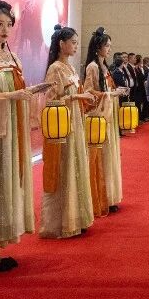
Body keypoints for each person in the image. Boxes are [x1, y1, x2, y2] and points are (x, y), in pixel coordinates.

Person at [0, 1, 49, 272]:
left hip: (12, 131)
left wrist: (29, 92)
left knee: (6, 183)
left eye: (9, 25)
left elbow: (17, 90)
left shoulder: (13, 58)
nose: (5, 30)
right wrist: (10, 96)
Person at [40, 25, 97, 238]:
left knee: (76, 166)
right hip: (64, 125)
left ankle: (77, 217)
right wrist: (76, 97)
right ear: (61, 44)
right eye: (72, 42)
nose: (75, 46)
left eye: (76, 43)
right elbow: (51, 100)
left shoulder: (71, 68)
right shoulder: (55, 68)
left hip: (76, 123)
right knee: (65, 168)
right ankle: (62, 222)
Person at [83, 27, 128, 216]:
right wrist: (110, 94)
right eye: (106, 45)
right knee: (101, 158)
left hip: (108, 116)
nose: (109, 49)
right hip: (99, 117)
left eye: (110, 45)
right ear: (98, 47)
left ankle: (109, 196)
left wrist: (114, 93)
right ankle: (101, 197)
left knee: (109, 156)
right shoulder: (93, 67)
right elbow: (88, 92)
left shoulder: (104, 67)